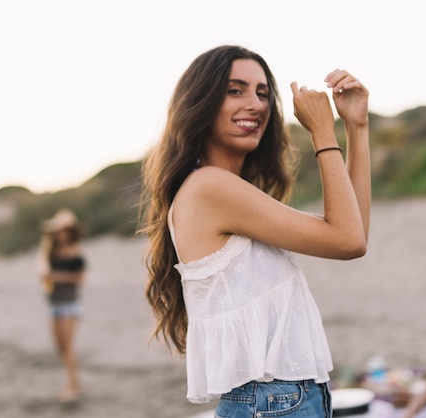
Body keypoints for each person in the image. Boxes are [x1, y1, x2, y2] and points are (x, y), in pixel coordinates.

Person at [139, 45, 370, 417]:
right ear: (202, 102)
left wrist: (356, 127)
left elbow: (354, 232)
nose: (257, 104)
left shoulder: (224, 190)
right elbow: (348, 240)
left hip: (284, 400)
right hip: (274, 402)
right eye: (236, 90)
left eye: (263, 93)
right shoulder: (209, 187)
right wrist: (323, 132)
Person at [37, 208, 86, 402]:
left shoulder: (76, 253)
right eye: (58, 231)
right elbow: (42, 271)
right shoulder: (50, 251)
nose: (61, 234)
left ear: (70, 232)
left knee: (67, 345)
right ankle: (74, 381)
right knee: (60, 346)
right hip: (54, 303)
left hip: (70, 304)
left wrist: (57, 277)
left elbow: (80, 279)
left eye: (64, 230)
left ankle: (72, 385)